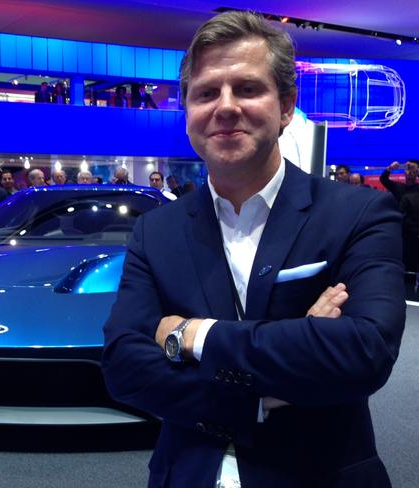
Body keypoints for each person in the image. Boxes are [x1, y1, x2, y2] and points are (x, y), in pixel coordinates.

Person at [102, 11, 405, 488]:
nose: (225, 107)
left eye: (247, 89)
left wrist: (193, 336)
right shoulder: (154, 231)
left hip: (319, 473)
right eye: (206, 93)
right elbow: (124, 368)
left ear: (286, 107)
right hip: (187, 473)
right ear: (187, 112)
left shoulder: (360, 213)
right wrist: (266, 388)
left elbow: (363, 352)